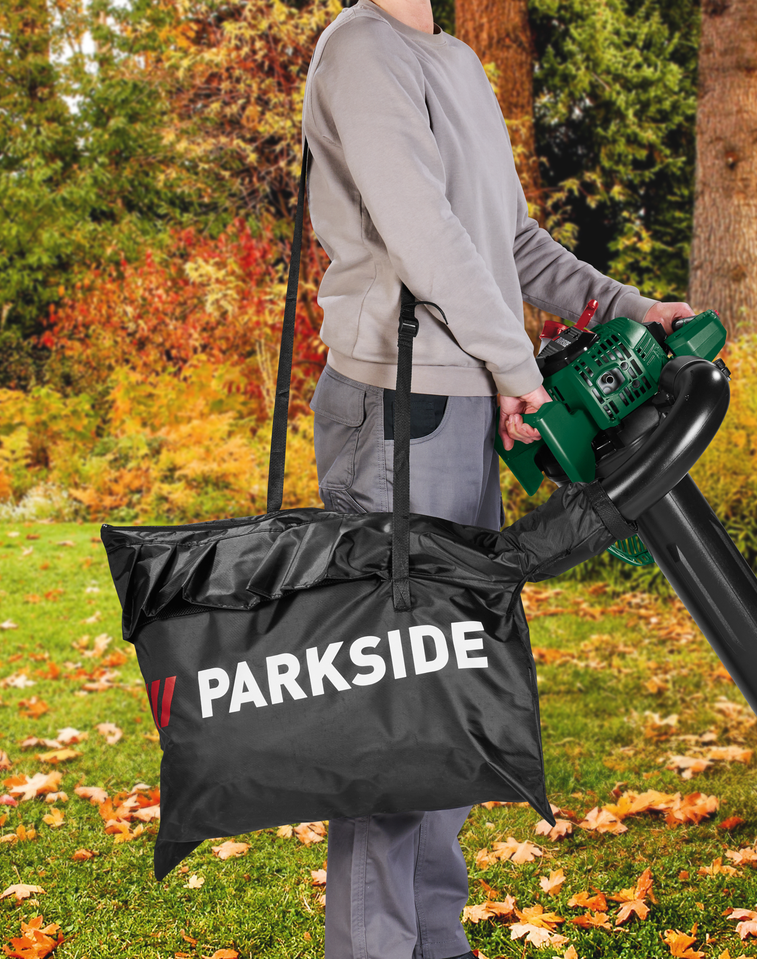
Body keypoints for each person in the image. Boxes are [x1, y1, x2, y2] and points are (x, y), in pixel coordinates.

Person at [301, 1, 694, 956]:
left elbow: (505, 240)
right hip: (397, 410)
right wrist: (519, 368)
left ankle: (439, 939)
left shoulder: (458, 64)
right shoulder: (361, 49)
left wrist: (629, 308)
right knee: (396, 721)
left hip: (467, 404)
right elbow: (423, 233)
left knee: (452, 708)